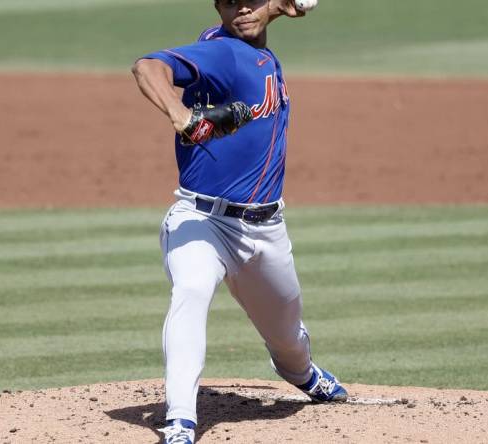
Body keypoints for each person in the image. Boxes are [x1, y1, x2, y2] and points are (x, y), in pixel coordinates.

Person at [131, 1, 347, 443]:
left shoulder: (258, 50)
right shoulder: (223, 52)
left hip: (266, 230)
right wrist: (181, 114)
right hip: (202, 221)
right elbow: (147, 67)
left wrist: (279, 10)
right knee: (190, 291)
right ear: (217, 5)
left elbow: (256, 19)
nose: (241, 9)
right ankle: (180, 420)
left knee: (287, 337)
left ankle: (303, 374)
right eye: (231, 1)